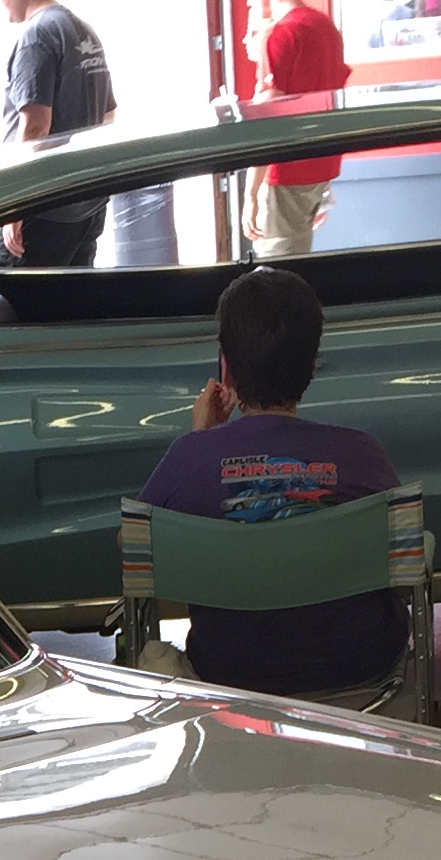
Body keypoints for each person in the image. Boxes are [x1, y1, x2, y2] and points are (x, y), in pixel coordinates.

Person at [138, 268, 408, 699]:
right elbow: (402, 559)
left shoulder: (189, 457)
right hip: (359, 668)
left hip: (230, 671)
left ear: (226, 367)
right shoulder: (363, 453)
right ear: (312, 363)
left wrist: (201, 438)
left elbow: (133, 548)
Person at [0, 0, 115, 267]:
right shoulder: (85, 32)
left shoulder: (37, 36)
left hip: (45, 210)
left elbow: (35, 127)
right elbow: (108, 115)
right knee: (68, 296)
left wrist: (13, 208)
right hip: (87, 206)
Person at [241, 0, 348, 258]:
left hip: (285, 173)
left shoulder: (279, 36)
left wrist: (251, 193)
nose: (248, 1)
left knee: (276, 269)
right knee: (297, 260)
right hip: (321, 166)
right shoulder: (326, 28)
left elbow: (268, 119)